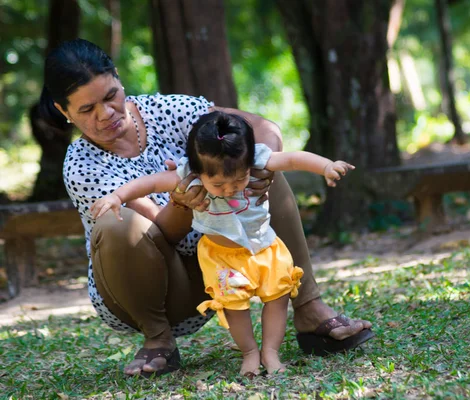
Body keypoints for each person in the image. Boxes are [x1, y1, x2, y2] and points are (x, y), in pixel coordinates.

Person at [40, 38, 374, 378]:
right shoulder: (82, 166)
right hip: (153, 284)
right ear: (64, 111)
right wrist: (182, 203)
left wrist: (261, 165)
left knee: (268, 173)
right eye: (86, 109)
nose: (106, 114)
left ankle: (308, 307)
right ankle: (158, 339)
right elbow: (160, 234)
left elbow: (262, 127)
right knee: (117, 224)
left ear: (118, 80)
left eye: (111, 96)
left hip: (225, 262)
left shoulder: (168, 109)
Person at [91, 111, 355, 377]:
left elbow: (293, 159)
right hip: (222, 258)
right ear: (197, 171)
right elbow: (150, 183)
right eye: (218, 184)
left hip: (265, 248)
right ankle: (250, 354)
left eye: (239, 180)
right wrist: (117, 196)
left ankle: (271, 353)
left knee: (277, 299)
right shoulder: (189, 176)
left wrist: (325, 166)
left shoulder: (255, 159)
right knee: (235, 308)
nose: (230, 189)